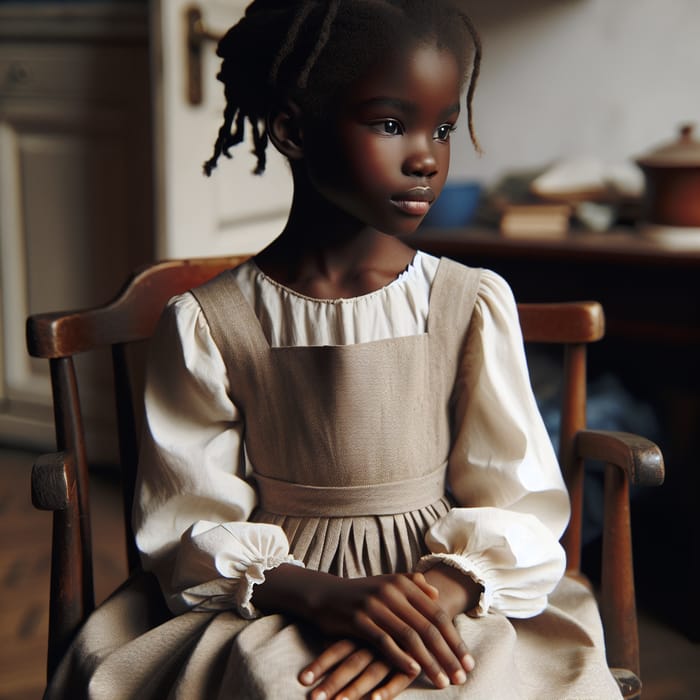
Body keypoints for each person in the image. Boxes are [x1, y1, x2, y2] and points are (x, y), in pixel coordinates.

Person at [47, 2, 622, 698]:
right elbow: (187, 518)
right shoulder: (210, 321)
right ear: (291, 128)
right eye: (390, 123)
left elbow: (518, 497)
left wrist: (435, 595)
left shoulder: (467, 302)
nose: (427, 156)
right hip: (283, 589)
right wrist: (326, 598)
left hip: (442, 587)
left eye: (442, 127)